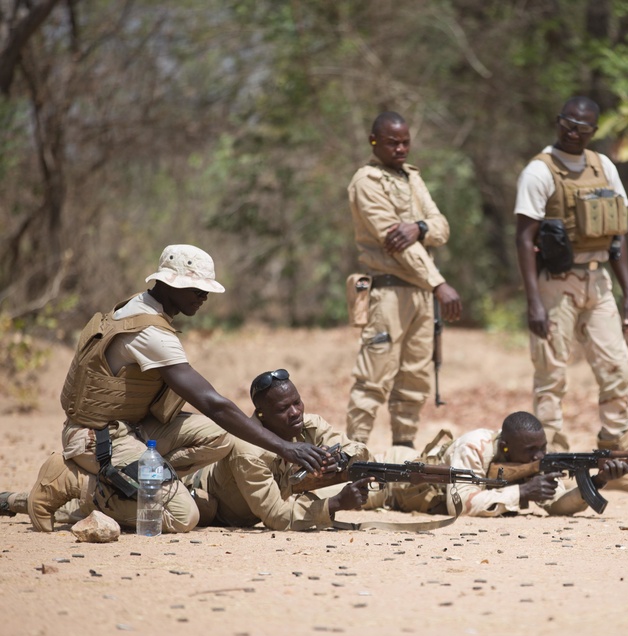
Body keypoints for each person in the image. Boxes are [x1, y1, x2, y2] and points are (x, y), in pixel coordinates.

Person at [11, 245, 331, 532]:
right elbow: (213, 404)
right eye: (195, 289)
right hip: (97, 437)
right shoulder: (151, 333)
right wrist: (285, 448)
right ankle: (74, 480)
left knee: (223, 437)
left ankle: (138, 481)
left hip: (130, 426)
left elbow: (218, 418)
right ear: (168, 284)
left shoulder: (138, 309)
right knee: (183, 516)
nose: (203, 297)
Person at [514, 96, 628, 472]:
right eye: (568, 124)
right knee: (551, 376)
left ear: (594, 131)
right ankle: (548, 460)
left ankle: (616, 456)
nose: (573, 132)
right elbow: (524, 238)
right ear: (558, 121)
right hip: (556, 283)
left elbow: (617, 235)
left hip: (599, 280)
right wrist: (533, 302)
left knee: (617, 368)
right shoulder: (539, 171)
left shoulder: (603, 167)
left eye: (582, 128)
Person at [345, 111, 462, 449]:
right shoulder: (366, 181)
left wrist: (419, 227)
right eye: (392, 142)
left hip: (421, 294)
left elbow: (441, 226)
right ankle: (353, 455)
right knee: (373, 376)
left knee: (415, 377)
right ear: (374, 141)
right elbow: (394, 244)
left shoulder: (411, 177)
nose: (400, 148)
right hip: (388, 291)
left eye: (405, 142)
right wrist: (439, 283)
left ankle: (404, 452)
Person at [183, 370, 373, 530]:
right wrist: (337, 503)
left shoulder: (307, 425)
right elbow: (276, 516)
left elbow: (359, 451)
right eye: (283, 409)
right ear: (262, 415)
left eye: (297, 402)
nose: (295, 412)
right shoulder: (248, 451)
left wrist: (339, 459)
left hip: (270, 500)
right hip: (210, 505)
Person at [362, 411, 628, 517]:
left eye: (543, 448)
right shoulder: (475, 446)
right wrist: (523, 492)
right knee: (338, 482)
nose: (539, 457)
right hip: (391, 476)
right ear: (505, 447)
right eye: (530, 451)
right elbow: (459, 503)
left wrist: (597, 481)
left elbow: (557, 505)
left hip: (407, 494)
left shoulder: (535, 462)